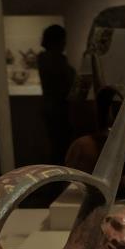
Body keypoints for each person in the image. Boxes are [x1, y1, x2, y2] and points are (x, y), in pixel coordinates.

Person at [37, 24, 75, 164]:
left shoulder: (45, 58)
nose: (65, 43)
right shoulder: (53, 59)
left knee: (57, 146)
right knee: (60, 147)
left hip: (52, 107)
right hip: (57, 108)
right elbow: (66, 81)